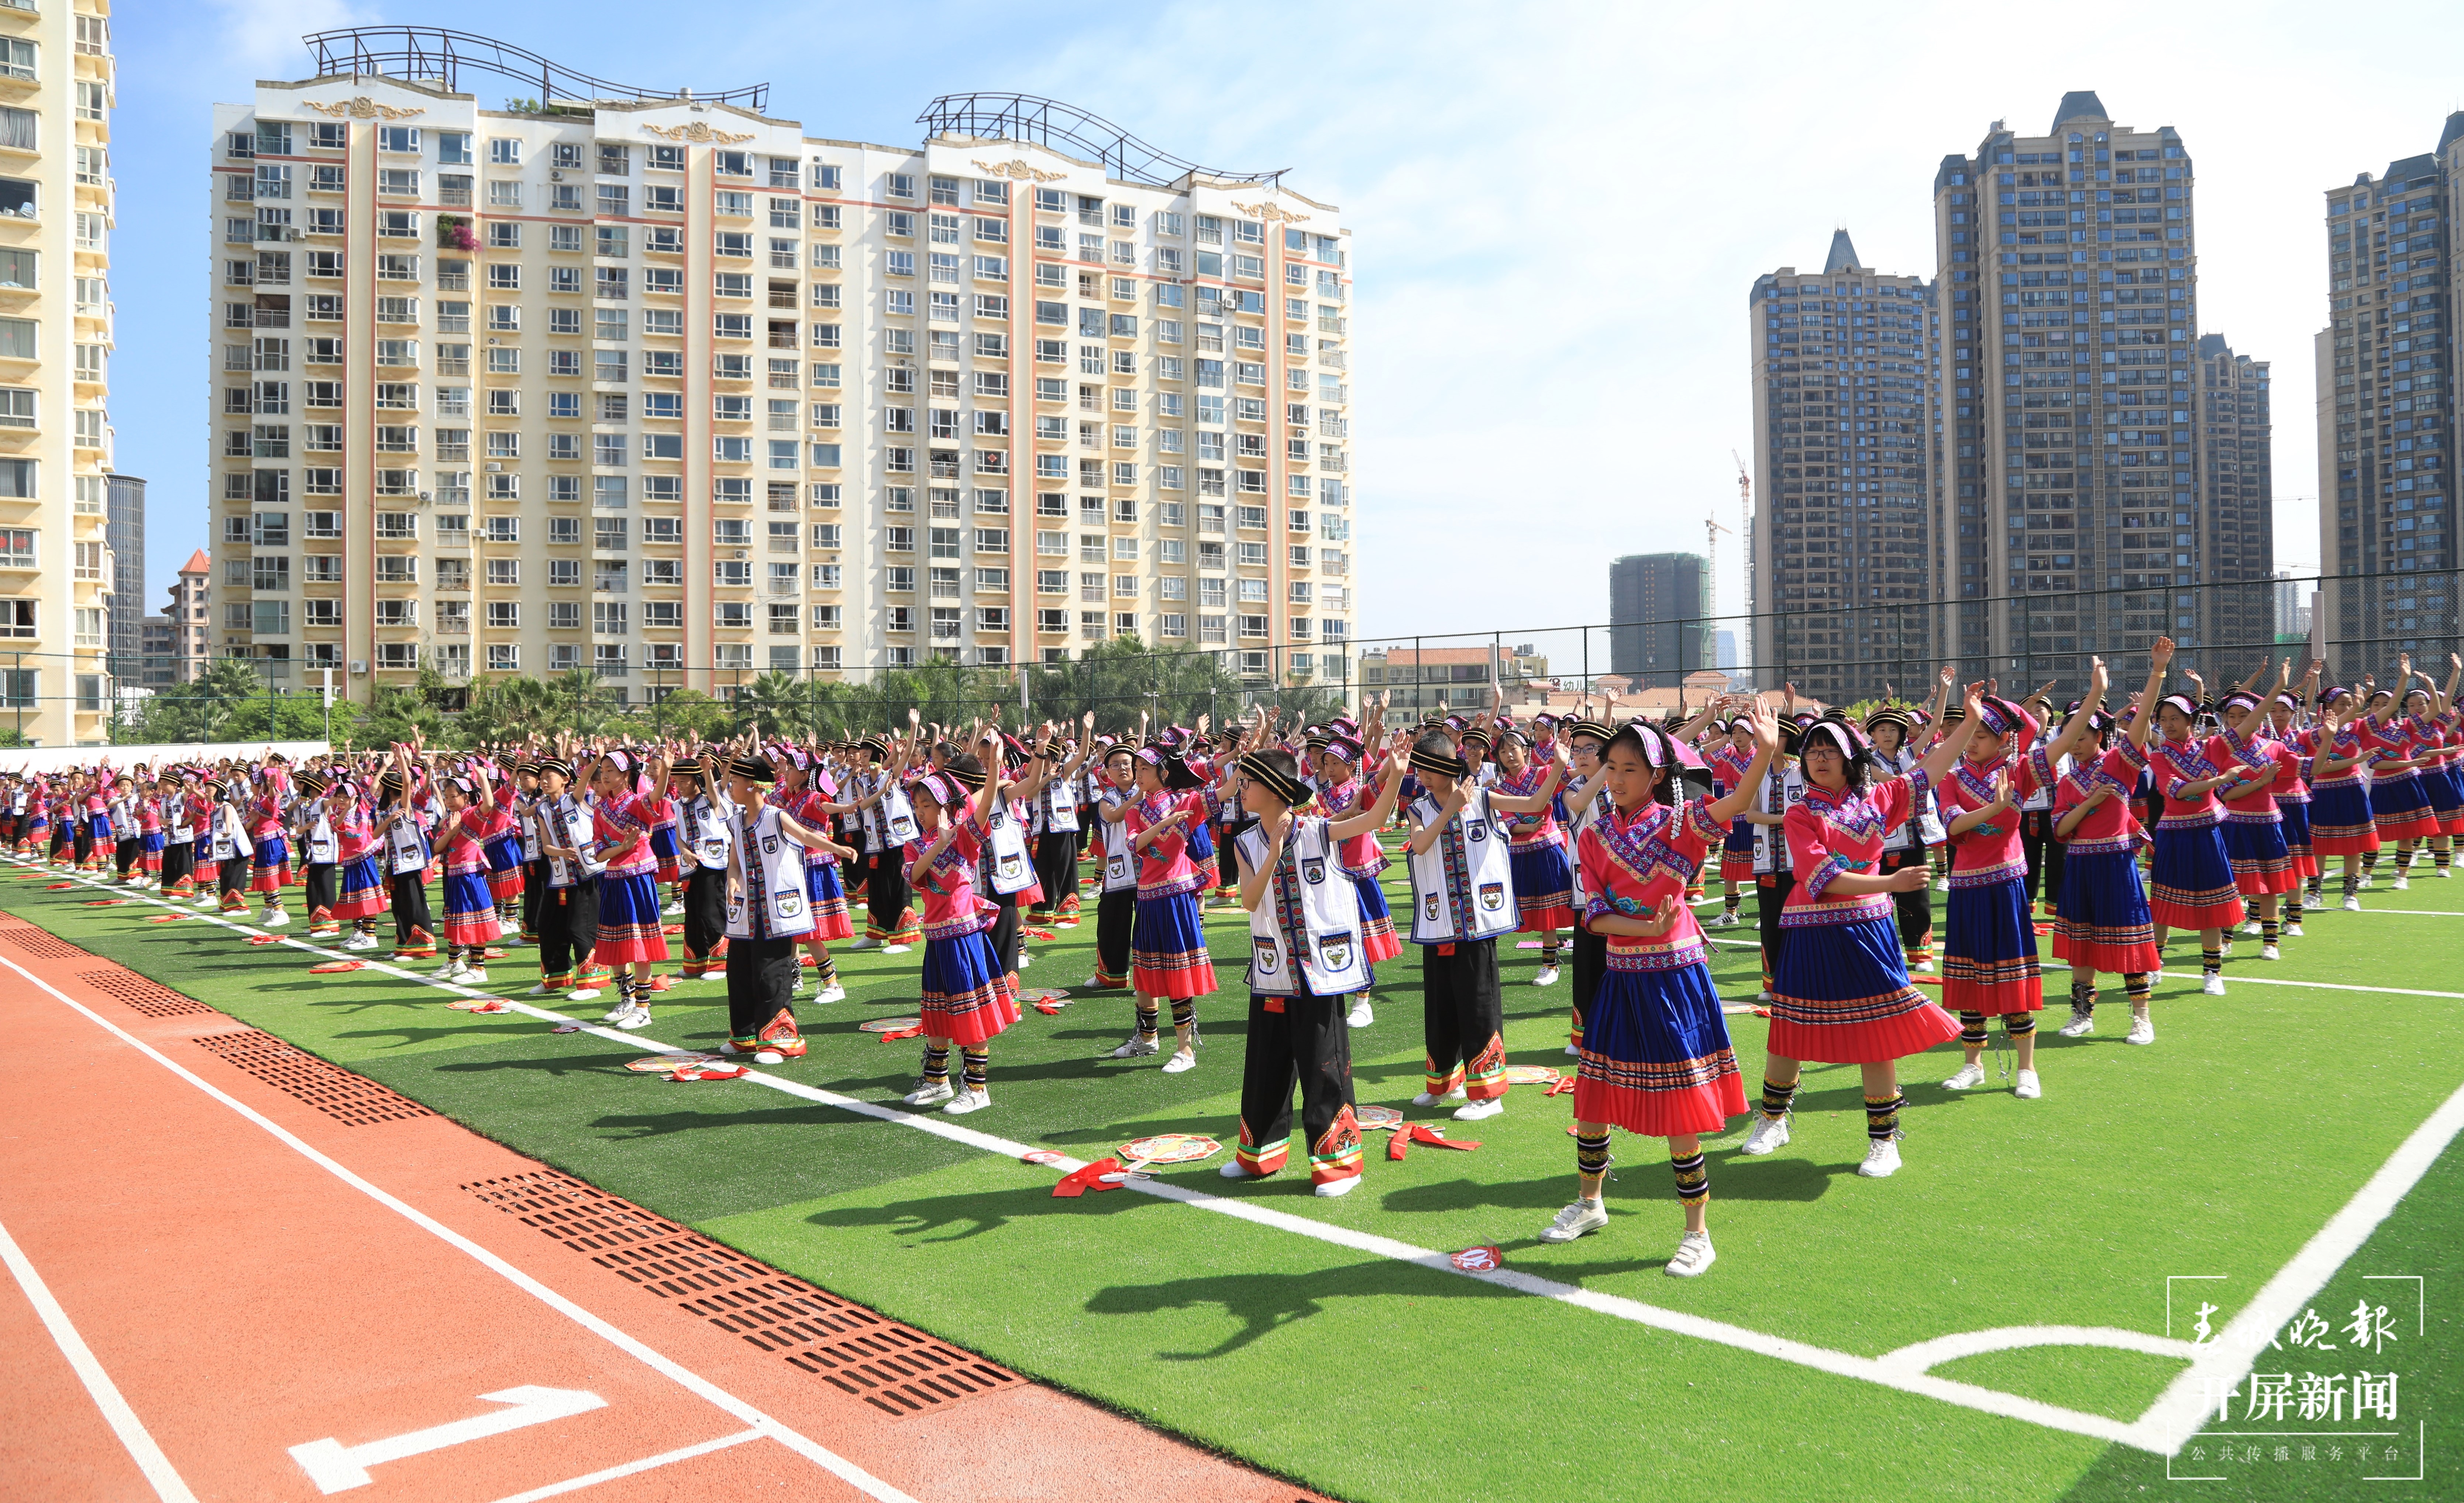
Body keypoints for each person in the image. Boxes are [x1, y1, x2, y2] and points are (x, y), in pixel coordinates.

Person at [1538, 706, 1779, 1276]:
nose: (1616, 778)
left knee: (1680, 1105)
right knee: (1594, 1095)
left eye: (1629, 768)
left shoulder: (1682, 823)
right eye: (1610, 767)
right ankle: (1590, 1201)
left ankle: (1698, 1232)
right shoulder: (1594, 835)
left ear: (1655, 775)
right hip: (1622, 976)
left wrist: (1765, 752)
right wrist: (1644, 926)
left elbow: (1737, 804)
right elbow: (1595, 916)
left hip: (1674, 979)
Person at [1740, 669, 1973, 1178]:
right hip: (1809, 929)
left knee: (1877, 1032)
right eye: (1812, 751)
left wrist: (1968, 720)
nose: (1819, 757)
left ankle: (1884, 1140)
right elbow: (1820, 878)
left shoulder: (1879, 800)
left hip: (1868, 932)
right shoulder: (1802, 814)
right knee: (1789, 1028)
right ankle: (1772, 1119)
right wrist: (1891, 884)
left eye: (1829, 750)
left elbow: (1931, 768)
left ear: (1851, 759)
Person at [1220, 739, 1405, 1196]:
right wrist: (1273, 850)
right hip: (1271, 970)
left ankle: (1340, 1165)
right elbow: (1248, 900)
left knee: (1325, 1067)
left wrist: (1397, 774)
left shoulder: (1317, 830)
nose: (1241, 789)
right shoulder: (1246, 842)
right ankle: (1259, 1153)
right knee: (1267, 1064)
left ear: (1276, 789)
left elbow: (1374, 820)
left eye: (1249, 782)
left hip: (1321, 970)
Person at [1933, 665, 2105, 1099]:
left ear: (2004, 740)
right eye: (1969, 734)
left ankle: (2027, 1068)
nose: (1972, 742)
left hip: (2007, 888)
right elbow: (1953, 829)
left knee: (2013, 976)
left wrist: (2096, 692)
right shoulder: (1952, 780)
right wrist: (1994, 809)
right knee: (1969, 977)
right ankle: (1972, 1064)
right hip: (1968, 888)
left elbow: (2065, 739)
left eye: (1981, 735)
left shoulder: (2022, 770)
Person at [1401, 717, 1566, 1121]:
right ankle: (1445, 1082)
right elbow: (1420, 845)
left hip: (1477, 925)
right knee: (1441, 1006)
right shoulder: (1418, 808)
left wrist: (1559, 767)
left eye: (1426, 768)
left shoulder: (1485, 798)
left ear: (1445, 768)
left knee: (1478, 1005)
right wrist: (1450, 810)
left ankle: (1489, 1095)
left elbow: (1533, 805)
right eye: (1418, 768)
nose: (1420, 776)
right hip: (1439, 923)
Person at [2050, 655, 2172, 1043]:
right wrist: (2087, 804)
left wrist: (2157, 673)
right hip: (2081, 868)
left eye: (2081, 736)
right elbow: (2062, 830)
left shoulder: (2121, 763)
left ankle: (2141, 1018)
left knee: (2130, 941)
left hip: (2117, 866)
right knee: (2081, 945)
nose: (2075, 745)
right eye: (2069, 737)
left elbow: (2139, 725)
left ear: (2099, 736)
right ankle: (2082, 1014)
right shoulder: (2067, 782)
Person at [899, 731, 1018, 1114]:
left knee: (970, 1012)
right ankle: (938, 1081)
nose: (919, 811)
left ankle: (978, 1089)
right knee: (935, 1011)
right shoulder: (916, 844)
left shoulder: (967, 837)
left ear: (944, 806)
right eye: (916, 805)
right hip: (936, 939)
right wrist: (938, 841)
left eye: (925, 805)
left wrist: (995, 763)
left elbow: (984, 808)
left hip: (964, 937)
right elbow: (915, 874)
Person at [2144, 645, 2260, 995]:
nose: (2167, 725)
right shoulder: (2161, 756)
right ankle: (2155, 963)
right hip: (2174, 835)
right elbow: (2176, 791)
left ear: (2190, 721)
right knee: (2163, 902)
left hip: (2208, 832)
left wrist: (2272, 692)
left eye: (2174, 718)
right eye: (2162, 720)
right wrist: (2218, 782)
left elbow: (2248, 726)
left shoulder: (2212, 747)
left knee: (2212, 902)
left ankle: (2213, 971)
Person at [1104, 738, 1219, 1073]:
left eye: (1144, 769)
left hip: (1177, 898)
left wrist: (1247, 752)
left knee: (1177, 970)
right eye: (1136, 768)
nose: (1138, 774)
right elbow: (1135, 844)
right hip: (1148, 898)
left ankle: (1185, 1049)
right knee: (1145, 971)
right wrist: (1165, 824)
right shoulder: (1136, 810)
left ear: (1163, 772)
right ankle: (1148, 1036)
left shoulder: (1185, 800)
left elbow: (1220, 792)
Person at [714, 753, 838, 1062]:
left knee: (772, 973)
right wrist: (732, 880)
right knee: (740, 970)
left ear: (755, 785)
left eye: (737, 781)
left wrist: (839, 849)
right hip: (746, 913)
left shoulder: (776, 816)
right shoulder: (736, 823)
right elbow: (734, 864)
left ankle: (780, 1040)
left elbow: (808, 836)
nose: (731, 786)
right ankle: (745, 1034)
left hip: (778, 910)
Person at [584, 750, 670, 1028]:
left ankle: (644, 1008)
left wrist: (666, 770)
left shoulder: (636, 803)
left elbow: (656, 796)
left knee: (640, 942)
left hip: (638, 878)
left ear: (626, 775)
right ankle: (627, 998)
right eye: (603, 770)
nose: (605, 775)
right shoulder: (599, 809)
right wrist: (621, 847)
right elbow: (598, 854)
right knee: (614, 942)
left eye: (611, 770)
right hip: (613, 878)